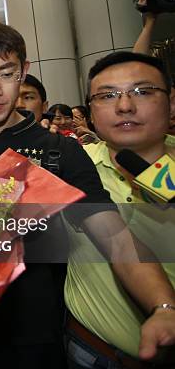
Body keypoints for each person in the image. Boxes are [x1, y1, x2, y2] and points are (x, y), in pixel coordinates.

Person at [0, 21, 175, 368]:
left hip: (32, 335)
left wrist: (163, 306)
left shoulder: (60, 152)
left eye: (6, 74)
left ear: (24, 72)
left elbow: (115, 237)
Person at [65, 51, 175, 368]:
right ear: (90, 111)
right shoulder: (67, 166)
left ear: (171, 102)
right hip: (91, 353)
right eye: (107, 95)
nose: (124, 105)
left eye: (143, 91)